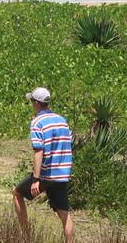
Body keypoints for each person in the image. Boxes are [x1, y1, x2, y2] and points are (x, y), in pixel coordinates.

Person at [13, 87, 74, 243]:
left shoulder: (37, 122)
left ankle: (26, 237)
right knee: (64, 213)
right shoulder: (62, 120)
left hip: (46, 174)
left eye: (32, 101)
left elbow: (38, 152)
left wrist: (36, 179)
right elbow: (69, 142)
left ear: (36, 103)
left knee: (17, 194)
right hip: (63, 173)